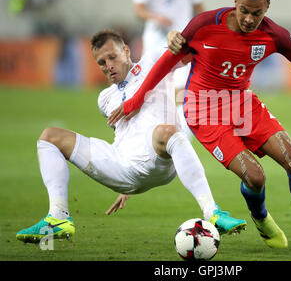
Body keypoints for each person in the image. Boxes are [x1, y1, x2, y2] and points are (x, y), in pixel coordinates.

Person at [108, 0, 291, 252]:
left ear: (267, 8)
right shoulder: (204, 25)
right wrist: (135, 101)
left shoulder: (276, 35)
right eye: (244, 11)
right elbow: (166, 63)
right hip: (204, 112)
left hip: (242, 104)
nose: (249, 19)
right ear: (235, 1)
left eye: (257, 13)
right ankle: (261, 218)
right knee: (255, 176)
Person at [15, 30, 246, 243]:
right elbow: (126, 135)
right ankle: (58, 217)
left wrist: (174, 36)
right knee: (49, 137)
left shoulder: (153, 61)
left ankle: (212, 213)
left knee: (167, 131)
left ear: (126, 50)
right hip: (122, 165)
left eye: (112, 57)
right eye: (101, 63)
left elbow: (192, 47)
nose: (108, 66)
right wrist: (125, 187)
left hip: (160, 156)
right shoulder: (105, 99)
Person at [133, 0, 204, 140]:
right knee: (152, 90)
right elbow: (139, 9)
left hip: (183, 39)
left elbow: (198, 7)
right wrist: (155, 17)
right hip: (155, 39)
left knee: (181, 90)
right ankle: (151, 139)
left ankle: (179, 141)